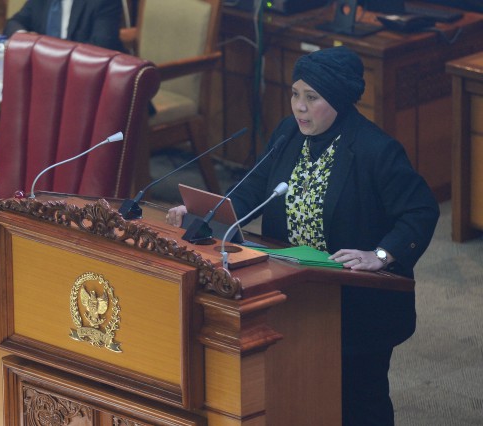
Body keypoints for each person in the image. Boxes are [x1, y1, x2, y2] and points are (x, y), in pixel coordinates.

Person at [167, 46, 440, 426]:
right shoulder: (288, 133)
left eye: (312, 98)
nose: (299, 107)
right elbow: (255, 187)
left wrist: (380, 254)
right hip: (294, 290)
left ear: (338, 100)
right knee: (300, 387)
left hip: (355, 299)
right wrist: (204, 213)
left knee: (360, 398)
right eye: (295, 94)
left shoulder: (376, 149)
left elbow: (420, 211)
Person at [3, 0, 124, 51]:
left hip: (85, 79)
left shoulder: (104, 2)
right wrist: (26, 38)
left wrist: (55, 55)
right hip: (44, 72)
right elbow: (14, 23)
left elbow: (101, 48)